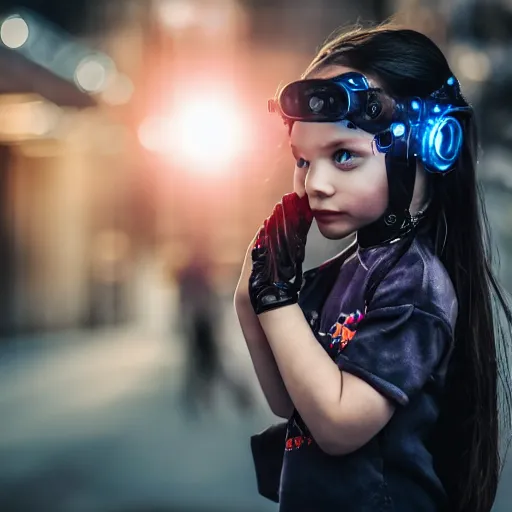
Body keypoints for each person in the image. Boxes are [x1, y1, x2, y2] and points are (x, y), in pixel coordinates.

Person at [233, 23, 512, 512]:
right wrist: (251, 289)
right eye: (302, 160)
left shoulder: (416, 286)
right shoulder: (339, 274)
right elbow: (291, 401)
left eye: (344, 156)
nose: (315, 183)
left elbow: (338, 426)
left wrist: (276, 300)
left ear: (430, 147)